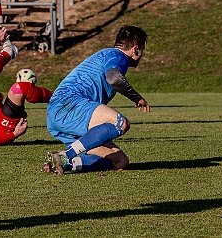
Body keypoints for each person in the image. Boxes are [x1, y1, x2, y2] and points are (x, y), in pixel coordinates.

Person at [43, 25, 150, 175]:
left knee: (120, 161)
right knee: (120, 123)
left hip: (57, 115)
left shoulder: (106, 55)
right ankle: (66, 156)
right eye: (142, 50)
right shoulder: (118, 56)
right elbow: (113, 78)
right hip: (69, 104)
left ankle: (60, 164)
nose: (141, 54)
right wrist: (137, 97)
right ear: (135, 48)